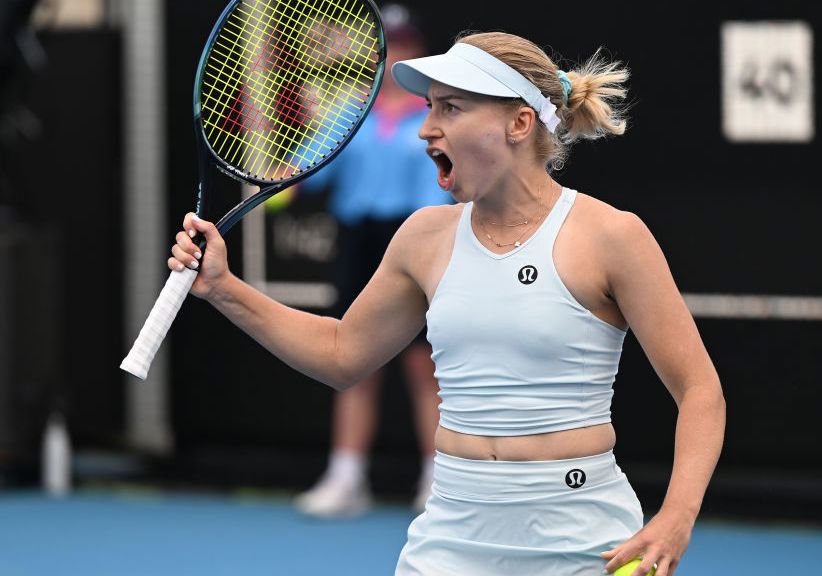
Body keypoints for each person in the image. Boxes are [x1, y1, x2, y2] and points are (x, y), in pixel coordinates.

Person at [169, 29, 725, 576]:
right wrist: (223, 287)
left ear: (519, 123)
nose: (426, 129)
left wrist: (677, 517)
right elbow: (341, 353)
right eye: (429, 107)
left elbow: (700, 390)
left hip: (583, 541)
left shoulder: (612, 236)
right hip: (449, 540)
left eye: (451, 109)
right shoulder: (423, 237)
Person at [282, 4, 451, 518]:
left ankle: (437, 482)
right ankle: (346, 478)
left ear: (417, 55)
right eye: (389, 46)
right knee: (352, 364)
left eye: (405, 46)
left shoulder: (436, 116)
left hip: (416, 242)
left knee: (425, 368)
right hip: (358, 244)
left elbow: (445, 191)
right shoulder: (350, 110)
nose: (396, 55)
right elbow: (310, 171)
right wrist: (286, 173)